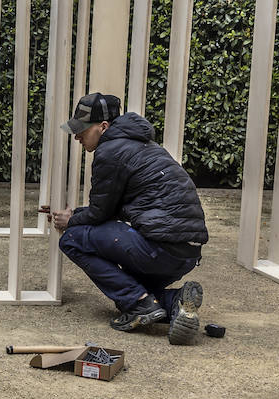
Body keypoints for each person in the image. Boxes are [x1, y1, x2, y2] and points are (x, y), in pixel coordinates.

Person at [46, 92, 208, 344]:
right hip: (186, 254)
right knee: (133, 295)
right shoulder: (142, 146)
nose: (77, 136)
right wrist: (77, 213)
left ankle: (140, 302)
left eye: (82, 130)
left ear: (103, 127)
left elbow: (101, 213)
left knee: (73, 238)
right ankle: (175, 302)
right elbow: (113, 207)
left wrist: (70, 221)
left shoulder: (110, 151)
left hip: (161, 248)